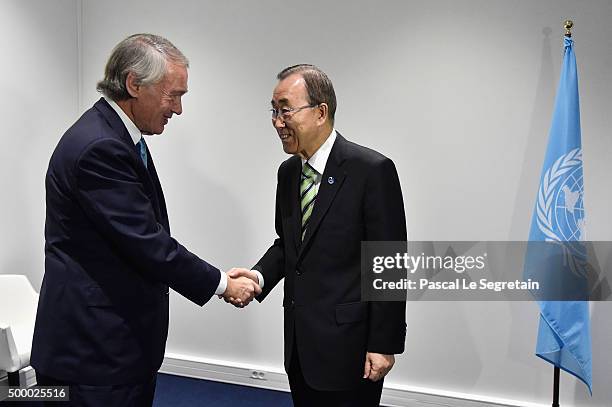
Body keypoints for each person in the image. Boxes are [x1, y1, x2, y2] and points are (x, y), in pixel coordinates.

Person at [31, 33, 259, 406]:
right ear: (134, 84)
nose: (178, 109)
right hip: (93, 358)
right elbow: (146, 241)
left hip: (111, 349)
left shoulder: (116, 135)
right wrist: (221, 283)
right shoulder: (100, 146)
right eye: (174, 95)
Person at [229, 64, 407, 406]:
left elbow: (389, 264)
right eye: (274, 110)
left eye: (285, 110)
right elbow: (289, 245)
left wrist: (384, 344)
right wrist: (257, 276)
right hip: (300, 346)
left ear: (320, 112)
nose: (277, 121)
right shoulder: (289, 171)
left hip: (351, 349)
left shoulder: (371, 170)